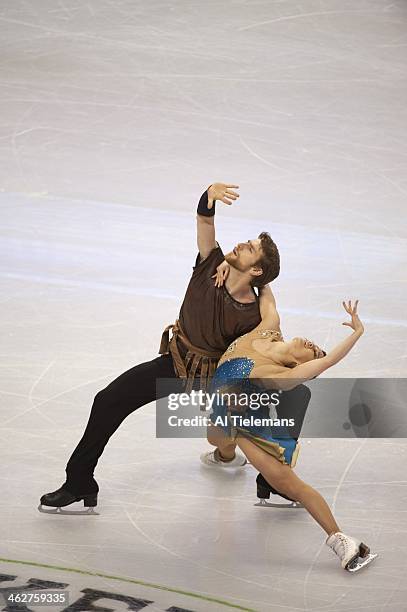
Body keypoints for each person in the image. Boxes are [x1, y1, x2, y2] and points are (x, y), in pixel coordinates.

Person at [38, 182, 281, 513]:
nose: (241, 243)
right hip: (178, 363)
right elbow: (206, 223)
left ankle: (271, 479)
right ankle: (79, 481)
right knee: (108, 400)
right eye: (247, 241)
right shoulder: (211, 263)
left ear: (256, 270)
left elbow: (265, 347)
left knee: (249, 423)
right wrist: (209, 194)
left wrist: (264, 291)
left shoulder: (254, 312)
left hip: (217, 378)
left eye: (250, 248)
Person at [201, 291, 377, 572]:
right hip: (222, 411)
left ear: (299, 366)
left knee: (287, 482)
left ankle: (342, 540)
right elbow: (267, 294)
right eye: (316, 346)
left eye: (314, 352)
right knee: (216, 438)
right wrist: (260, 268)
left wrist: (358, 331)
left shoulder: (279, 376)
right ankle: (225, 457)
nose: (314, 346)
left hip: (247, 425)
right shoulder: (269, 329)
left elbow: (328, 360)